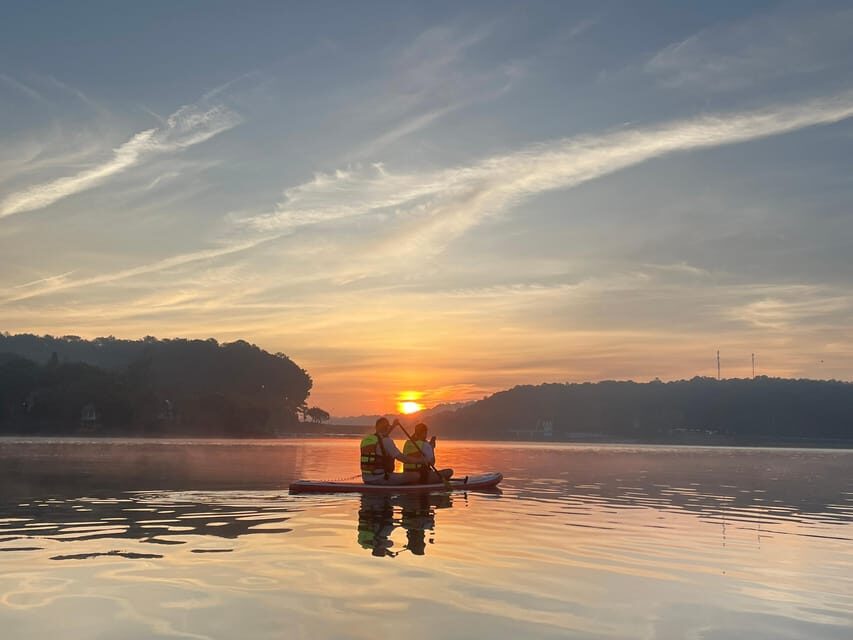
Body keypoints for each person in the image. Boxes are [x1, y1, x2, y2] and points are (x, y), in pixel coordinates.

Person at [360, 417, 424, 485]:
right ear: (387, 428)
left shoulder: (367, 440)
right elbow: (403, 459)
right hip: (381, 479)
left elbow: (382, 437)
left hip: (366, 479)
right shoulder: (387, 441)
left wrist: (393, 425)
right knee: (415, 476)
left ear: (376, 427)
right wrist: (421, 460)